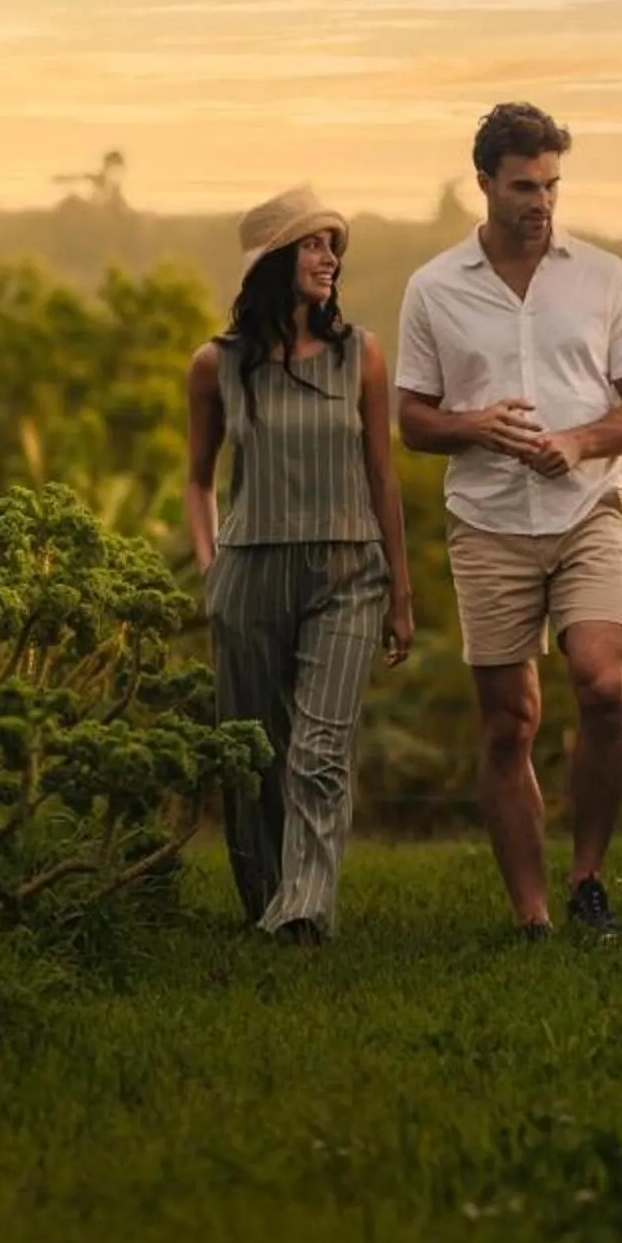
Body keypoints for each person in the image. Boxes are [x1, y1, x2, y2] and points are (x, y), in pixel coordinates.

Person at [397, 102, 622, 939]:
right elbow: (409, 419)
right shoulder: (434, 288)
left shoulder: (602, 277)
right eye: (523, 185)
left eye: (552, 183)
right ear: (484, 183)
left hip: (588, 506)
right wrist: (476, 427)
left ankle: (588, 876)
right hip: (487, 523)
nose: (540, 201)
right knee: (510, 720)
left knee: (603, 682)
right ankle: (533, 913)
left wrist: (582, 440)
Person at [186, 185, 415, 946]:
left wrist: (402, 593)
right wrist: (210, 566)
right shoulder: (215, 365)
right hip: (249, 573)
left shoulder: (362, 355)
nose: (329, 259)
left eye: (333, 246)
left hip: (350, 571)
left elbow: (383, 477)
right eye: (315, 245)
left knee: (319, 750)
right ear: (276, 260)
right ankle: (267, 897)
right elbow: (197, 479)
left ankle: (305, 912)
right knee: (253, 752)